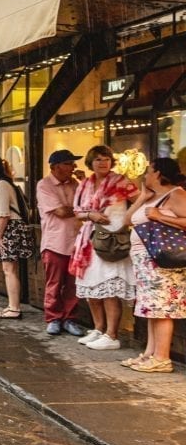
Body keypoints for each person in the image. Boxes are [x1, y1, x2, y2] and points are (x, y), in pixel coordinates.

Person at [71, 144, 138, 350]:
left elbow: (139, 201)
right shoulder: (85, 184)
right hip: (89, 239)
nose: (103, 162)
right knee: (91, 287)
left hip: (112, 239)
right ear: (91, 162)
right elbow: (77, 212)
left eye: (107, 159)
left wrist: (125, 221)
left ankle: (112, 334)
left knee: (109, 287)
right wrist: (91, 214)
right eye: (99, 159)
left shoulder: (122, 182)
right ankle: (99, 328)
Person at [123, 158, 186, 372]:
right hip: (146, 261)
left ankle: (162, 357)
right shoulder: (155, 197)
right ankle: (151, 353)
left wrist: (159, 217)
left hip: (162, 262)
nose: (145, 175)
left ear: (158, 173)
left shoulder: (176, 194)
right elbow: (126, 220)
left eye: (148, 171)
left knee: (162, 308)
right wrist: (142, 197)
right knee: (152, 308)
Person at [36, 150, 85, 336]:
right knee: (54, 283)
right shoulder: (44, 185)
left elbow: (88, 205)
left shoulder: (76, 184)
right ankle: (53, 318)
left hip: (76, 242)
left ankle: (70, 319)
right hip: (54, 242)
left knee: (73, 285)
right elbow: (62, 212)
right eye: (69, 163)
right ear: (55, 167)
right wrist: (81, 210)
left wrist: (85, 183)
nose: (73, 167)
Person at [0, 154, 35, 319]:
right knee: (10, 269)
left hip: (10, 228)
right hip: (13, 227)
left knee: (9, 269)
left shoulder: (1, 185)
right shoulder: (4, 184)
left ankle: (14, 307)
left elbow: (3, 214)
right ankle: (13, 306)